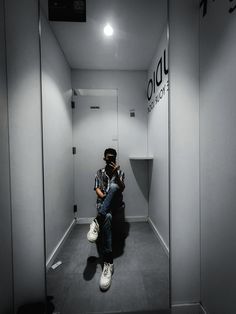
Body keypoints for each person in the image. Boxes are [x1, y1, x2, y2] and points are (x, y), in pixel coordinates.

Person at [87, 148, 125, 291]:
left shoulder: (120, 172)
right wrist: (106, 197)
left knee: (115, 186)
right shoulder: (99, 173)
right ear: (104, 158)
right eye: (109, 157)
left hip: (116, 204)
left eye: (114, 157)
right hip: (104, 204)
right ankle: (108, 262)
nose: (111, 159)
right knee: (107, 215)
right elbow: (97, 189)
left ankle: (97, 220)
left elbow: (122, 188)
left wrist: (116, 174)